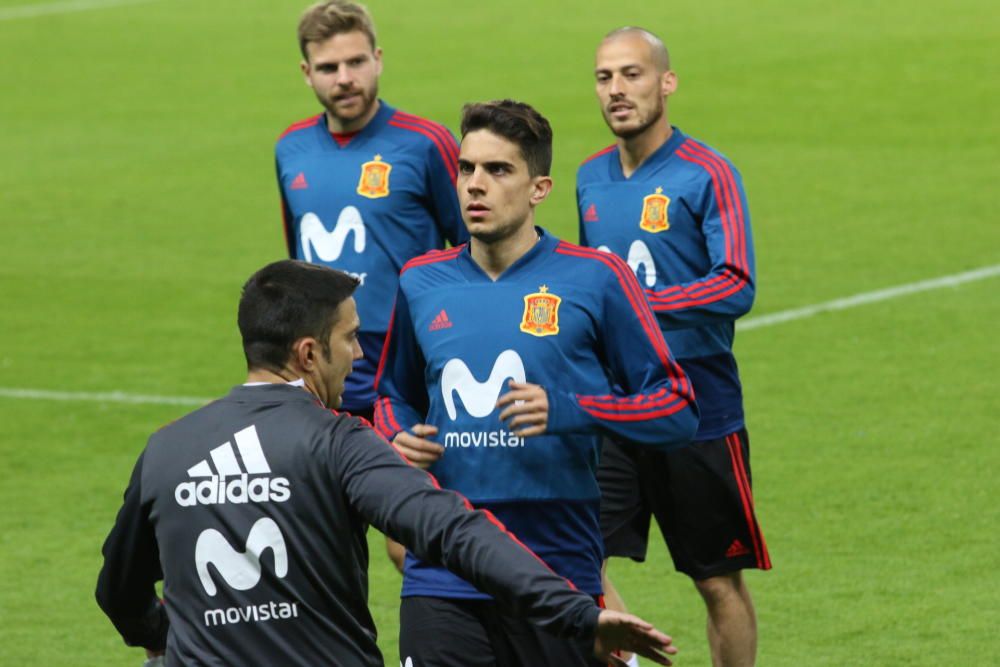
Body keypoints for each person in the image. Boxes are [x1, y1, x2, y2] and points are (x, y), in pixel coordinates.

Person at [94, 260, 681, 667]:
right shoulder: (338, 442)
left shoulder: (166, 449)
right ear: (308, 353)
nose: (360, 353)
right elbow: (452, 530)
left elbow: (118, 590)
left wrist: (164, 634)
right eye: (349, 339)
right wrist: (576, 614)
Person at [374, 100, 699, 667]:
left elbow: (676, 407)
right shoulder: (421, 281)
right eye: (466, 168)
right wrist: (399, 435)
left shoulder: (595, 279)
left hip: (555, 563)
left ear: (539, 188)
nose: (476, 185)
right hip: (444, 562)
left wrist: (571, 411)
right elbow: (390, 395)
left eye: (498, 171)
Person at [576, 27, 771, 667]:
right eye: (605, 78)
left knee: (716, 579)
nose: (617, 91)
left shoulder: (706, 173)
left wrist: (637, 307)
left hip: (697, 406)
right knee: (574, 558)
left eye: (632, 74)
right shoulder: (589, 179)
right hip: (614, 406)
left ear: (666, 82)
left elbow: (736, 283)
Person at [275, 1, 467, 424]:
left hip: (403, 374)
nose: (345, 79)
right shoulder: (290, 149)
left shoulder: (427, 144)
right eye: (328, 68)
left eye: (356, 62)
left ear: (377, 61)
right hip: (316, 374)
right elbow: (300, 263)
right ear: (307, 73)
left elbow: (476, 252)